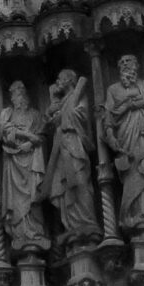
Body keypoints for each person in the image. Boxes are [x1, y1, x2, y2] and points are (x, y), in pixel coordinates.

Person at [103, 54, 144, 228]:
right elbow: (108, 115)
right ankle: (132, 213)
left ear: (137, 66)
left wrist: (143, 104)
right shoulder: (113, 89)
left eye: (128, 61)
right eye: (121, 62)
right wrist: (110, 135)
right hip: (127, 134)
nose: (125, 64)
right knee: (133, 170)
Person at [45, 69, 98, 245]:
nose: (58, 82)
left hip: (75, 142)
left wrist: (63, 116)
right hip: (62, 145)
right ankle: (72, 224)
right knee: (66, 185)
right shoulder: (63, 101)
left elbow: (82, 115)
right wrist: (55, 116)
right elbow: (53, 118)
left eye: (60, 79)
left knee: (80, 179)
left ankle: (86, 220)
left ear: (69, 80)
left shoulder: (78, 95)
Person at [0, 79, 47, 254]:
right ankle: (20, 232)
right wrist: (26, 135)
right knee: (16, 199)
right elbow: (2, 132)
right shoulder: (7, 113)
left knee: (33, 197)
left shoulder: (35, 114)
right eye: (12, 95)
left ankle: (34, 231)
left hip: (31, 160)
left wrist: (30, 143)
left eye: (18, 94)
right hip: (13, 160)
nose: (15, 98)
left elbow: (41, 136)